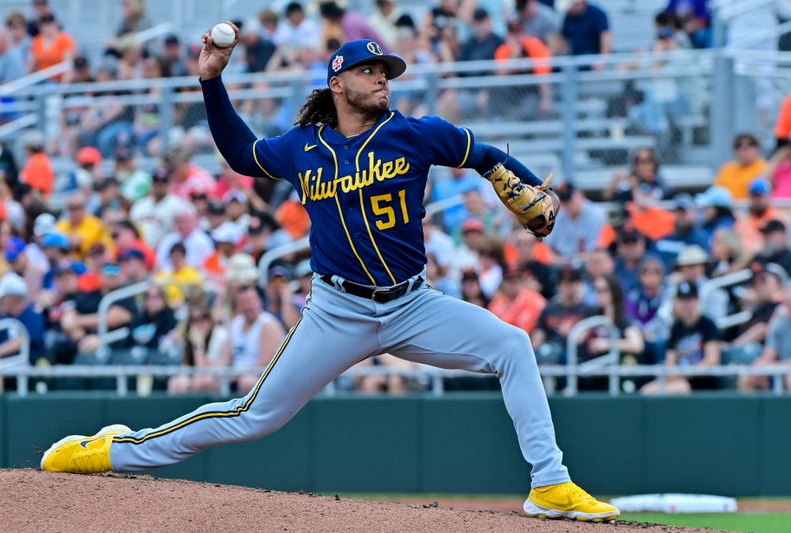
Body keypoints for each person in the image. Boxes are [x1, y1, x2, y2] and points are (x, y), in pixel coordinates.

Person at [40, 31, 619, 522]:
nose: (382, 79)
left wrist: (518, 182)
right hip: (336, 312)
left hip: (413, 305)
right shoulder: (303, 147)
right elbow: (243, 155)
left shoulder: (414, 133)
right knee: (253, 417)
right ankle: (114, 450)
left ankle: (549, 484)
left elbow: (485, 154)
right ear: (338, 83)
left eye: (385, 71)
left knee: (512, 345)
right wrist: (211, 83)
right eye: (369, 71)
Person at [641, 281, 721, 394]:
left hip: (701, 383)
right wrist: (672, 374)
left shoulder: (708, 325)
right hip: (678, 380)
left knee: (661, 390)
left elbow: (712, 360)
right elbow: (670, 360)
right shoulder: (676, 327)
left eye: (690, 300)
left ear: (698, 300)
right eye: (682, 300)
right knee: (646, 390)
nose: (686, 305)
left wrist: (683, 373)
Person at [713, 134, 768, 201]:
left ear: (757, 149)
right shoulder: (726, 169)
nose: (745, 151)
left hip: (755, 208)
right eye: (739, 146)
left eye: (750, 145)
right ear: (735, 151)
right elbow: (716, 193)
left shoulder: (766, 167)